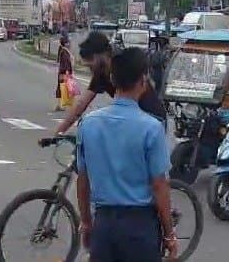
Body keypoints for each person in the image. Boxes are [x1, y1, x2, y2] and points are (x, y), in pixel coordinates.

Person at [75, 47, 177, 262]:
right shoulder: (151, 127)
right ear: (143, 80)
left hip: (103, 226)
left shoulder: (89, 124)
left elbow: (82, 180)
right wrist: (169, 235)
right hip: (139, 228)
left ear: (112, 79)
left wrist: (86, 223)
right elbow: (159, 185)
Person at [54, 32, 166, 135]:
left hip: (152, 119)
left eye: (91, 60)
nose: (90, 66)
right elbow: (81, 105)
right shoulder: (101, 72)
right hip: (131, 121)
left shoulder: (123, 64)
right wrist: (59, 133)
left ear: (102, 54)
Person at [55, 36, 74, 111]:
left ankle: (59, 105)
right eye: (68, 43)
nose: (70, 44)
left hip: (62, 72)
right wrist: (67, 73)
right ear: (66, 44)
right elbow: (65, 63)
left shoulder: (63, 51)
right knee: (63, 88)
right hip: (64, 73)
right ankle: (61, 105)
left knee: (61, 88)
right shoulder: (64, 52)